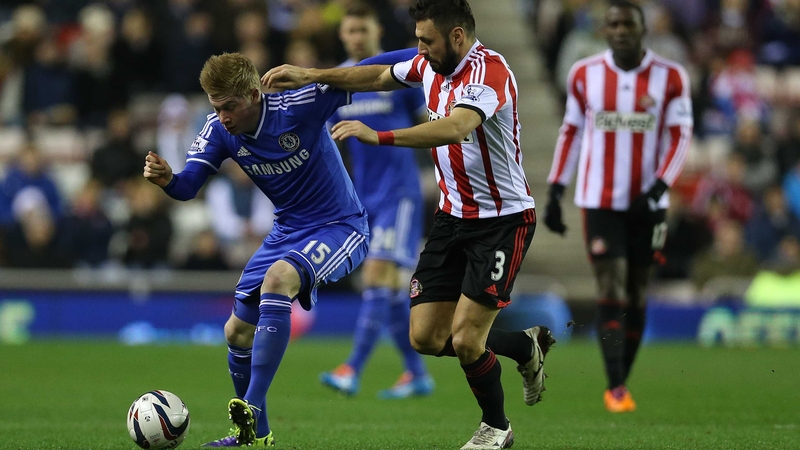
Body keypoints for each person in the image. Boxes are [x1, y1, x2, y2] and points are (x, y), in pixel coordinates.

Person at [263, 1, 554, 448]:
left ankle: (496, 427)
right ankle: (523, 346)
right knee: (427, 336)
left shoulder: (488, 73)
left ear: (457, 37)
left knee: (467, 340)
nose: (418, 50)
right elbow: (375, 75)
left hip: (502, 220)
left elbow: (456, 128)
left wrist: (376, 134)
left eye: (426, 41)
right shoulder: (429, 64)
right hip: (452, 217)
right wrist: (310, 75)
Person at [143, 52, 369, 447]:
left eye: (230, 106)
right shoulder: (218, 130)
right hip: (287, 231)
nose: (224, 116)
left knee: (278, 279)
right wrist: (167, 179)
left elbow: (379, 72)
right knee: (236, 331)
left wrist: (422, 61)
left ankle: (252, 405)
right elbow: (188, 187)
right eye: (217, 107)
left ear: (254, 93)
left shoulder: (299, 104)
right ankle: (255, 437)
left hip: (339, 225)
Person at [543, 0, 693, 413]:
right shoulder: (584, 74)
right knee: (610, 286)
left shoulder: (671, 77)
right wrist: (556, 190)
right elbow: (571, 131)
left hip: (649, 202)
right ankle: (615, 387)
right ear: (604, 31)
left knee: (638, 292)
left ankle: (622, 374)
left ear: (644, 29)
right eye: (614, 24)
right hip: (599, 199)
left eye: (628, 24)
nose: (621, 30)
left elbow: (682, 135)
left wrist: (660, 184)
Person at [317, 3, 435, 401]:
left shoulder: (398, 80)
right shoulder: (338, 86)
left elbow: (429, 124)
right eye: (350, 31)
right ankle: (416, 373)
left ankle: (352, 368)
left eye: (362, 29)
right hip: (363, 197)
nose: (356, 36)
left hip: (400, 193)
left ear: (376, 32)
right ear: (342, 36)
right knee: (388, 291)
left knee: (376, 279)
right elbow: (328, 148)